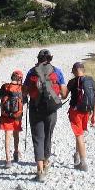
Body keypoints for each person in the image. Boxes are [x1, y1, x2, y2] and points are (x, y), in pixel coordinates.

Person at [23, 49, 67, 182]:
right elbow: (64, 93)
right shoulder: (57, 71)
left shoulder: (32, 72)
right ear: (50, 58)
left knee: (38, 138)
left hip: (35, 108)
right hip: (51, 109)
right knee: (48, 135)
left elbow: (24, 91)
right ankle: (46, 161)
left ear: (38, 59)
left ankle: (40, 170)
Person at [66, 61, 95, 171]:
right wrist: (94, 116)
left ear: (74, 71)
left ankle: (83, 162)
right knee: (80, 133)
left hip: (76, 112)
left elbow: (64, 95)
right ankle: (77, 155)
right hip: (87, 111)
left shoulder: (72, 82)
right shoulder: (90, 80)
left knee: (79, 135)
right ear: (83, 70)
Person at [0, 70, 25, 168]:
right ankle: (16, 152)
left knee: (7, 135)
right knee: (16, 134)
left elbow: (0, 96)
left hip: (6, 116)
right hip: (17, 116)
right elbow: (25, 100)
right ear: (20, 79)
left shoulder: (5, 86)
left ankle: (8, 159)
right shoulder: (21, 88)